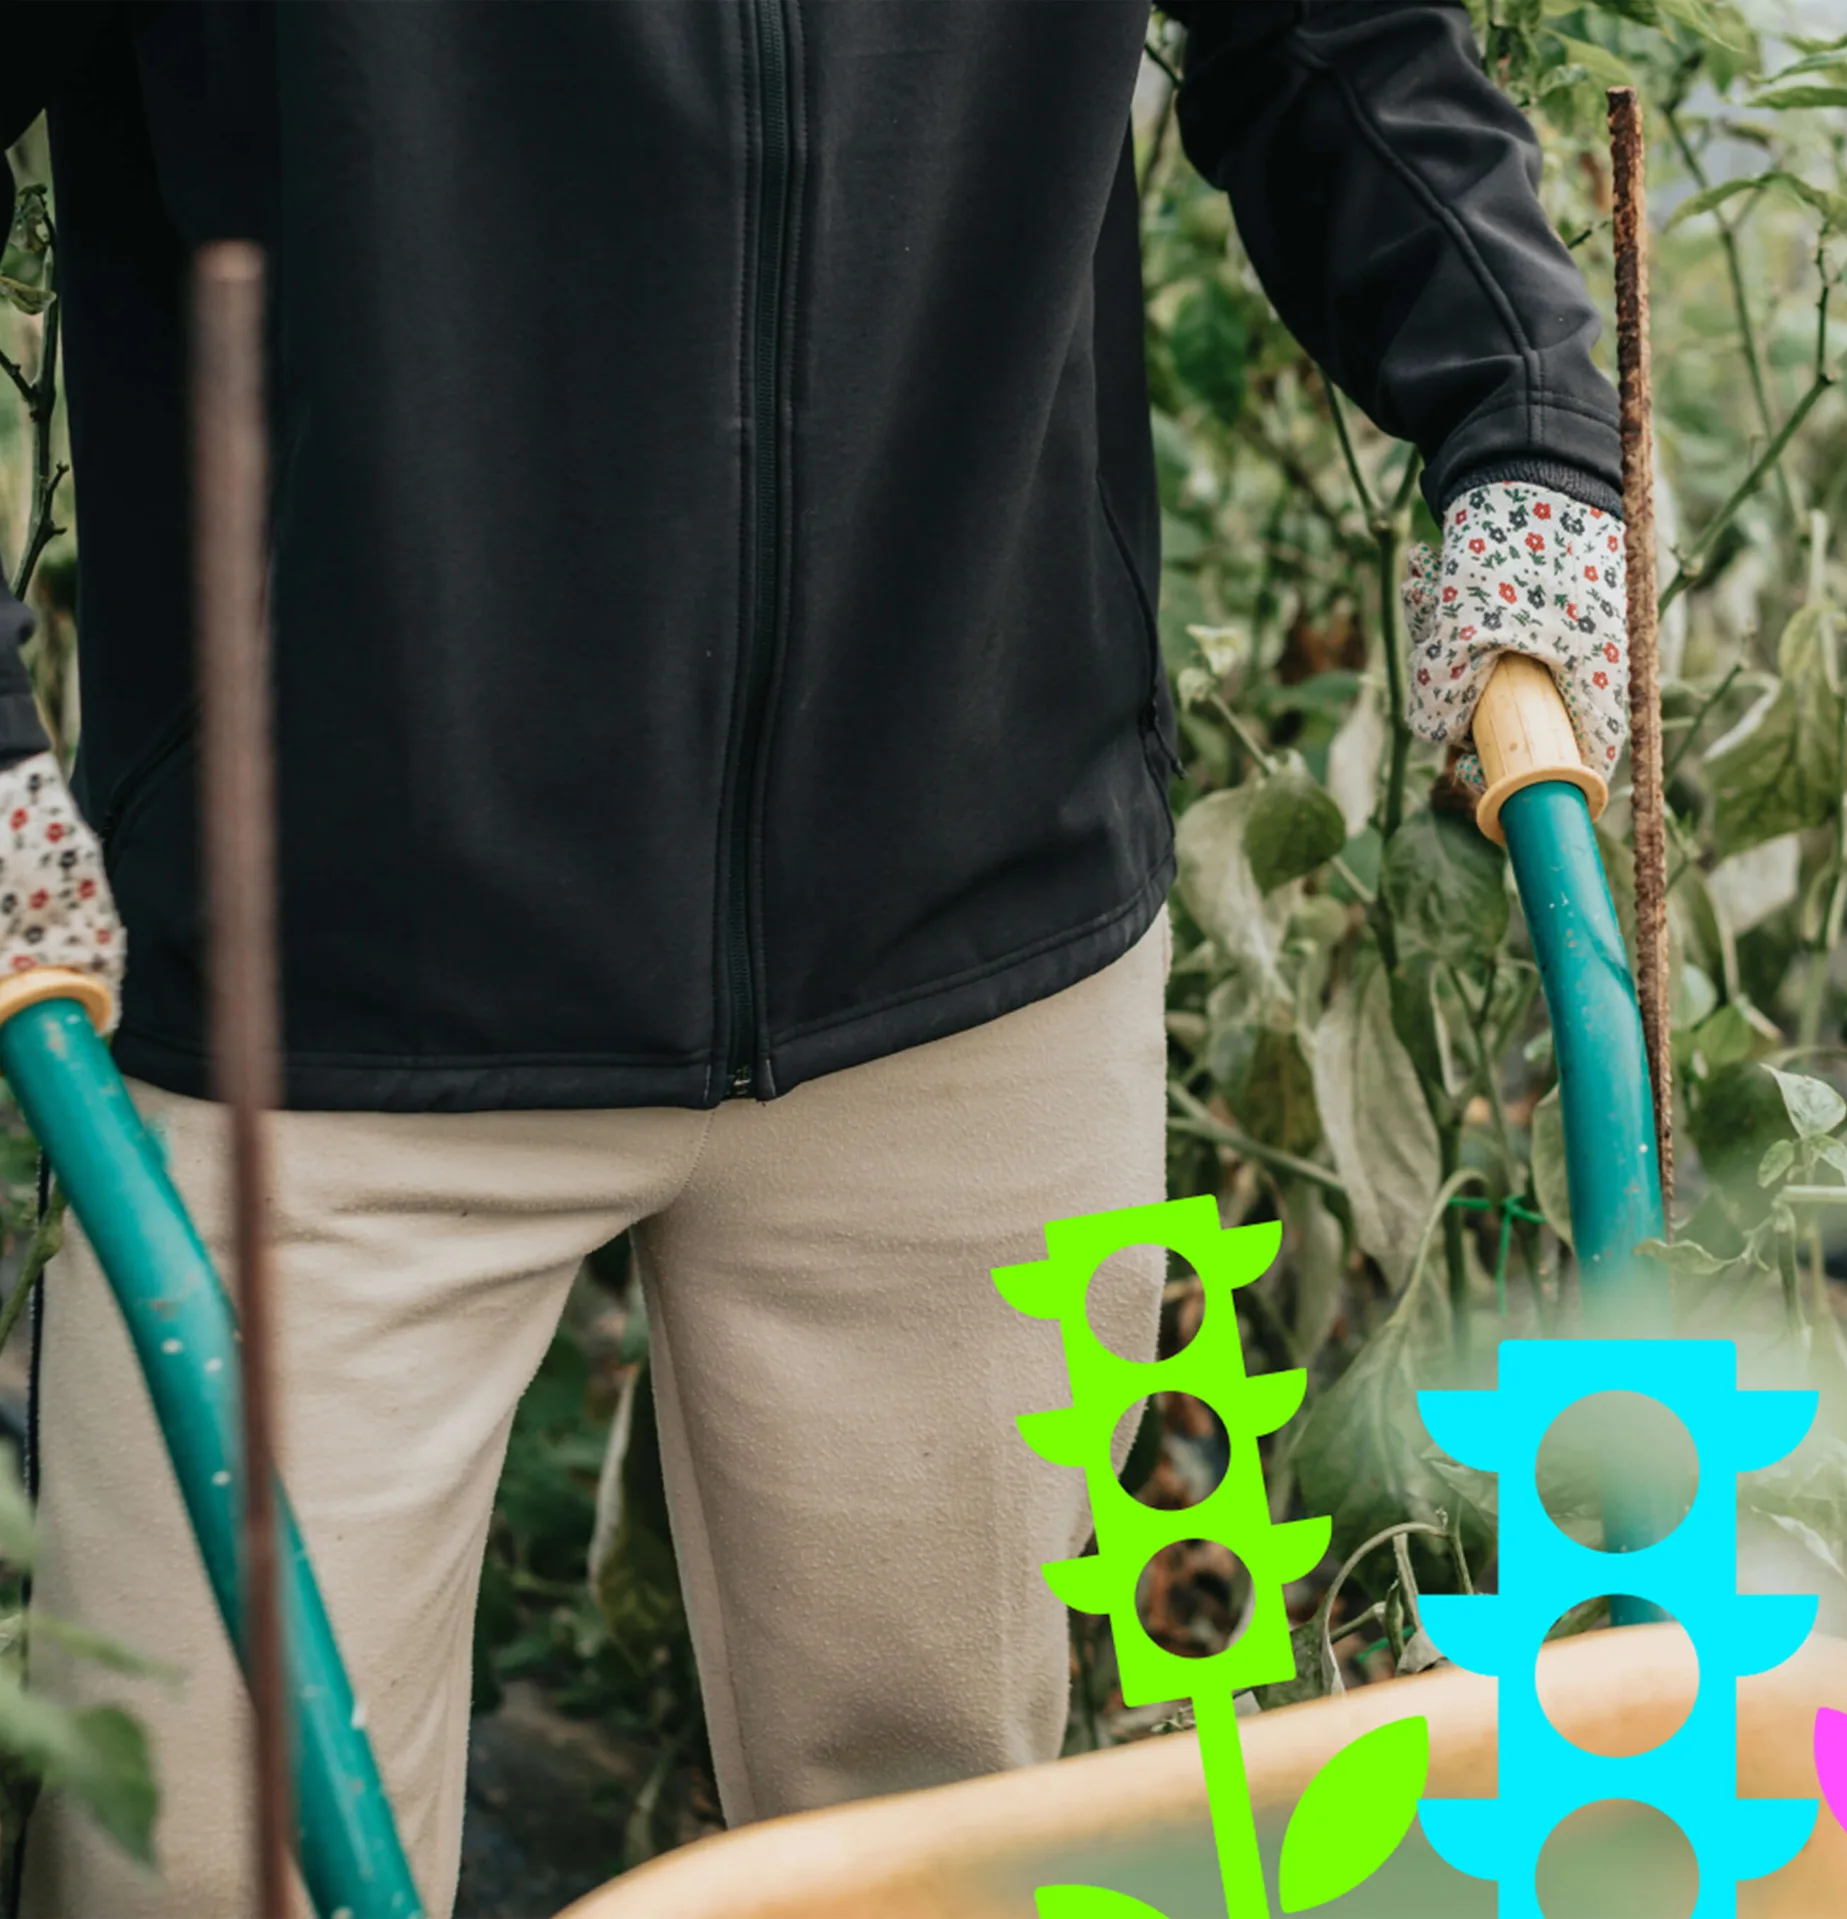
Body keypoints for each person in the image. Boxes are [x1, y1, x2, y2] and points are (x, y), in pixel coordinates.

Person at [0, 5, 1631, 1913]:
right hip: (332, 989)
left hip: (960, 936)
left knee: (936, 1836)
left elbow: (1331, 42)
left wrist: (1519, 406)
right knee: (196, 1862)